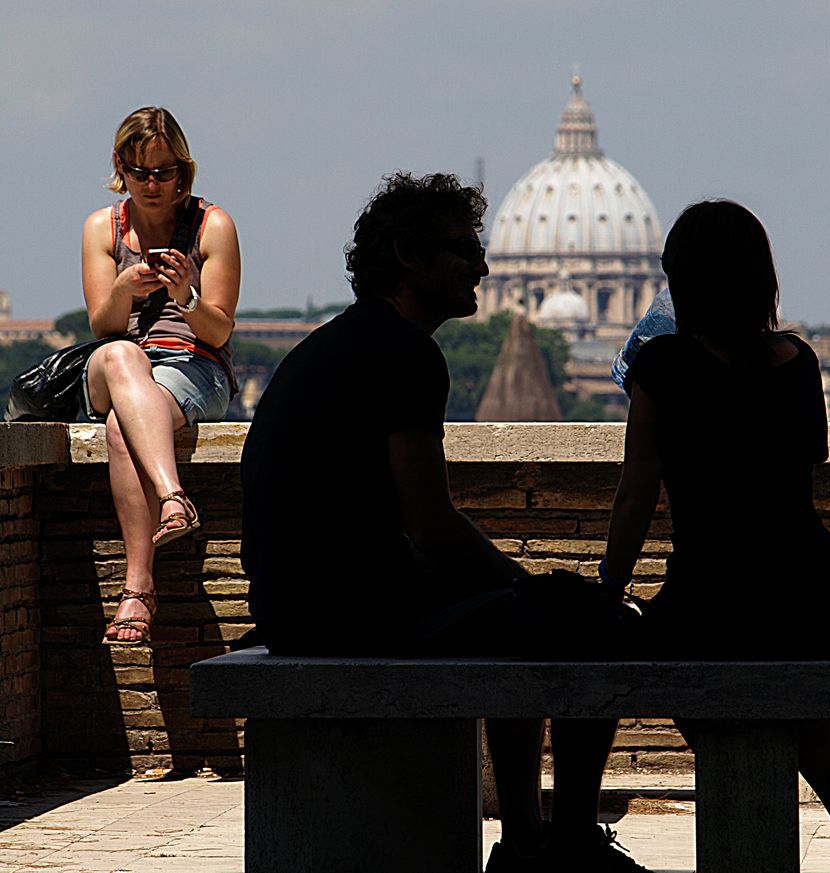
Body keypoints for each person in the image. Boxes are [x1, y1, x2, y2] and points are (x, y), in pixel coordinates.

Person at [241, 171, 648, 872]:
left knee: (516, 616)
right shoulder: (405, 353)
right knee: (594, 624)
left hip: (302, 601)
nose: (483, 266)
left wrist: (517, 591)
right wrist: (531, 584)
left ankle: (524, 836)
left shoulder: (339, 343)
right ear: (406, 253)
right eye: (463, 248)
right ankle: (565, 839)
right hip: (351, 610)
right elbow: (431, 524)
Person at [602, 200, 830, 873]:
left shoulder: (662, 366)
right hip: (817, 605)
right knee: (795, 688)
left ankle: (564, 834)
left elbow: (636, 491)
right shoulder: (802, 360)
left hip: (709, 609)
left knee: (613, 652)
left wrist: (608, 589)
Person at [82, 107, 240, 645]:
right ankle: (174, 496)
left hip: (193, 366)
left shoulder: (213, 225)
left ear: (183, 172)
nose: (152, 185)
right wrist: (124, 289)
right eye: (140, 172)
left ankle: (138, 590)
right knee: (124, 355)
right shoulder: (102, 228)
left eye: (164, 172)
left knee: (122, 429)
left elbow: (217, 333)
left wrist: (186, 297)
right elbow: (102, 326)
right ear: (121, 169)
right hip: (117, 363)